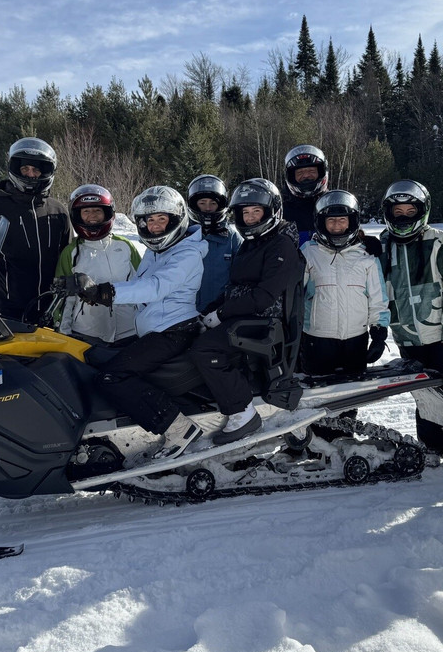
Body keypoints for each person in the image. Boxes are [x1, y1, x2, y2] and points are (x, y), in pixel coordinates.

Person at [72, 185, 212, 460]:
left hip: (173, 332)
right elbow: (138, 284)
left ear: (176, 220)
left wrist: (106, 292)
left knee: (112, 377)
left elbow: (155, 287)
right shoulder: (157, 251)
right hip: (157, 329)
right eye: (149, 220)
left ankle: (179, 429)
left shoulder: (187, 254)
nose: (156, 226)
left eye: (162, 219)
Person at [378, 179, 443, 476]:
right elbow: (378, 290)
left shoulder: (438, 241)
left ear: (421, 211)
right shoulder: (384, 245)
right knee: (424, 394)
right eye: (397, 210)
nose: (403, 215)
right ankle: (432, 446)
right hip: (407, 336)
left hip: (441, 335)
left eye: (410, 209)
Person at [189, 178, 305, 445]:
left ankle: (242, 412)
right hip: (245, 315)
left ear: (271, 211)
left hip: (264, 320)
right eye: (245, 213)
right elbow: (234, 286)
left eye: (256, 212)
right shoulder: (252, 242)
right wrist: (209, 310)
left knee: (205, 350)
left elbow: (264, 296)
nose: (250, 219)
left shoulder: (280, 244)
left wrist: (222, 313)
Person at [0, 137, 71, 321]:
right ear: (15, 169)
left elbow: (69, 258)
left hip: (53, 311)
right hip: (8, 313)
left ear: (46, 172)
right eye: (25, 169)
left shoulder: (58, 211)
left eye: (36, 170)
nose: (30, 175)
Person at [299, 190, 390, 377]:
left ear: (352, 221)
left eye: (342, 220)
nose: (336, 226)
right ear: (321, 222)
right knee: (317, 399)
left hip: (355, 339)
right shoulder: (308, 252)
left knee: (350, 397)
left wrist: (379, 334)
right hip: (317, 339)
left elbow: (377, 298)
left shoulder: (366, 255)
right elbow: (295, 295)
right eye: (331, 220)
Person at [54, 184, 141, 342]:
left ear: (107, 213)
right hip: (87, 333)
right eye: (86, 211)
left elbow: (143, 285)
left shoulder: (125, 246)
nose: (92, 215)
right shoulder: (71, 252)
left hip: (129, 330)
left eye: (97, 210)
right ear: (78, 215)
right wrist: (64, 332)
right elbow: (65, 297)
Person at [282, 144, 382, 257]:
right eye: (300, 173)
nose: (306, 176)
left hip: (330, 269)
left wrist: (365, 241)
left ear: (321, 172)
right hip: (296, 271)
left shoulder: (335, 203)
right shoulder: (281, 211)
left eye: (311, 171)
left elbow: (350, 233)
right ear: (291, 177)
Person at [187, 174, 243, 313]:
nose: (207, 208)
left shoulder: (232, 237)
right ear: (194, 204)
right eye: (202, 203)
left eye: (213, 203)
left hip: (218, 313)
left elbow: (243, 276)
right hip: (184, 312)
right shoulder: (183, 236)